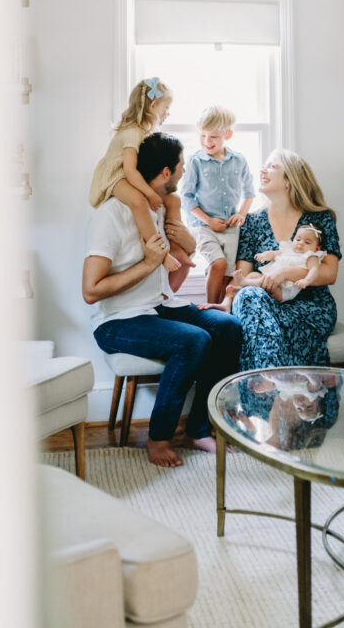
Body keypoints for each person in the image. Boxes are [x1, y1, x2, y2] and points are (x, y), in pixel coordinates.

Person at [83, 132, 242, 468]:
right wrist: (148, 264)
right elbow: (90, 291)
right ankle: (159, 438)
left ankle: (200, 429)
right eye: (183, 165)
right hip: (116, 319)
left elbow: (169, 283)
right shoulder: (112, 214)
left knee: (228, 327)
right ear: (166, 172)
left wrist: (187, 251)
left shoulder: (160, 209)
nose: (186, 171)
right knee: (193, 341)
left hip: (159, 306)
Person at [231, 149, 340, 371]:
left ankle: (267, 388)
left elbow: (329, 274)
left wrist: (285, 273)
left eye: (272, 166)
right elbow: (240, 277)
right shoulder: (252, 222)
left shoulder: (319, 219)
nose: (263, 170)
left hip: (310, 307)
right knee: (248, 297)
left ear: (290, 179)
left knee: (261, 325)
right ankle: (276, 386)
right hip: (266, 302)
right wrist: (256, 281)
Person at [88, 77, 190, 274]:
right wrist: (150, 194)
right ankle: (161, 253)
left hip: (126, 174)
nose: (168, 113)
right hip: (115, 176)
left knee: (172, 199)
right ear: (153, 105)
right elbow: (128, 171)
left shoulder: (147, 130)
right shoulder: (132, 132)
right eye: (166, 108)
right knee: (139, 202)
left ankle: (177, 248)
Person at [180, 105, 255, 303]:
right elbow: (186, 197)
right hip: (204, 227)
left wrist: (242, 214)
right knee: (219, 264)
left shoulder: (239, 161)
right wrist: (209, 221)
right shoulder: (196, 161)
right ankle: (210, 309)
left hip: (230, 228)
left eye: (213, 136)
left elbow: (249, 193)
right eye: (203, 135)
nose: (207, 141)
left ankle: (221, 313)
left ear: (227, 135)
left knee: (228, 274)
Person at [202, 223, 326, 311]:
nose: (300, 244)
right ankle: (239, 288)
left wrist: (306, 280)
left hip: (284, 291)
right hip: (270, 280)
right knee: (254, 275)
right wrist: (264, 255)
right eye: (298, 239)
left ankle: (244, 282)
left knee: (263, 282)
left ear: (317, 248)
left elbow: (314, 270)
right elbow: (274, 254)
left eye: (307, 242)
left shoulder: (311, 256)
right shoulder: (288, 250)